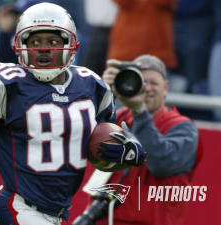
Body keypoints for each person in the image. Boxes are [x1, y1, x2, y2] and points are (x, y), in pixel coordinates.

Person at [0, 3, 145, 225]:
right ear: (20, 46)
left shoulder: (91, 86)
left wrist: (123, 153)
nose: (44, 48)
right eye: (35, 41)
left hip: (57, 212)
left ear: (71, 45)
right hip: (19, 207)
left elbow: (100, 155)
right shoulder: (6, 85)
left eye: (53, 41)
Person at [74, 55, 202, 225]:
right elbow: (77, 140)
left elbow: (160, 163)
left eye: (153, 83)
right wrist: (101, 93)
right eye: (141, 82)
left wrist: (139, 111)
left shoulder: (184, 128)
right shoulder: (119, 118)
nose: (146, 88)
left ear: (165, 88)